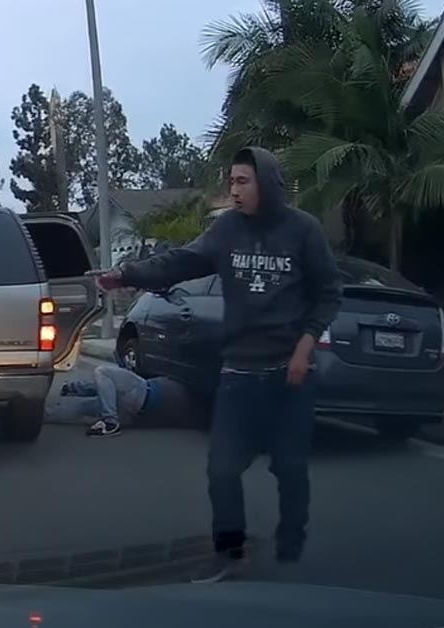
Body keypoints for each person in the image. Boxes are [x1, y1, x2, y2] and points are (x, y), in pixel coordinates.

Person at [94, 147, 341, 583]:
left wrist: (305, 348)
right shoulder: (226, 230)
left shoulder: (303, 231)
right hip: (239, 373)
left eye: (242, 181)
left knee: (289, 466)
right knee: (221, 469)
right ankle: (230, 552)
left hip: (290, 373)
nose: (234, 190)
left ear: (266, 183)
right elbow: (180, 262)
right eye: (231, 182)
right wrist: (126, 275)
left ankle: (292, 539)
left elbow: (328, 293)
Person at [45, 364, 199, 436]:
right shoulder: (195, 408)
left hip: (143, 392)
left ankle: (110, 421)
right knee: (82, 407)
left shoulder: (187, 384)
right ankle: (45, 412)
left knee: (103, 373)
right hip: (133, 415)